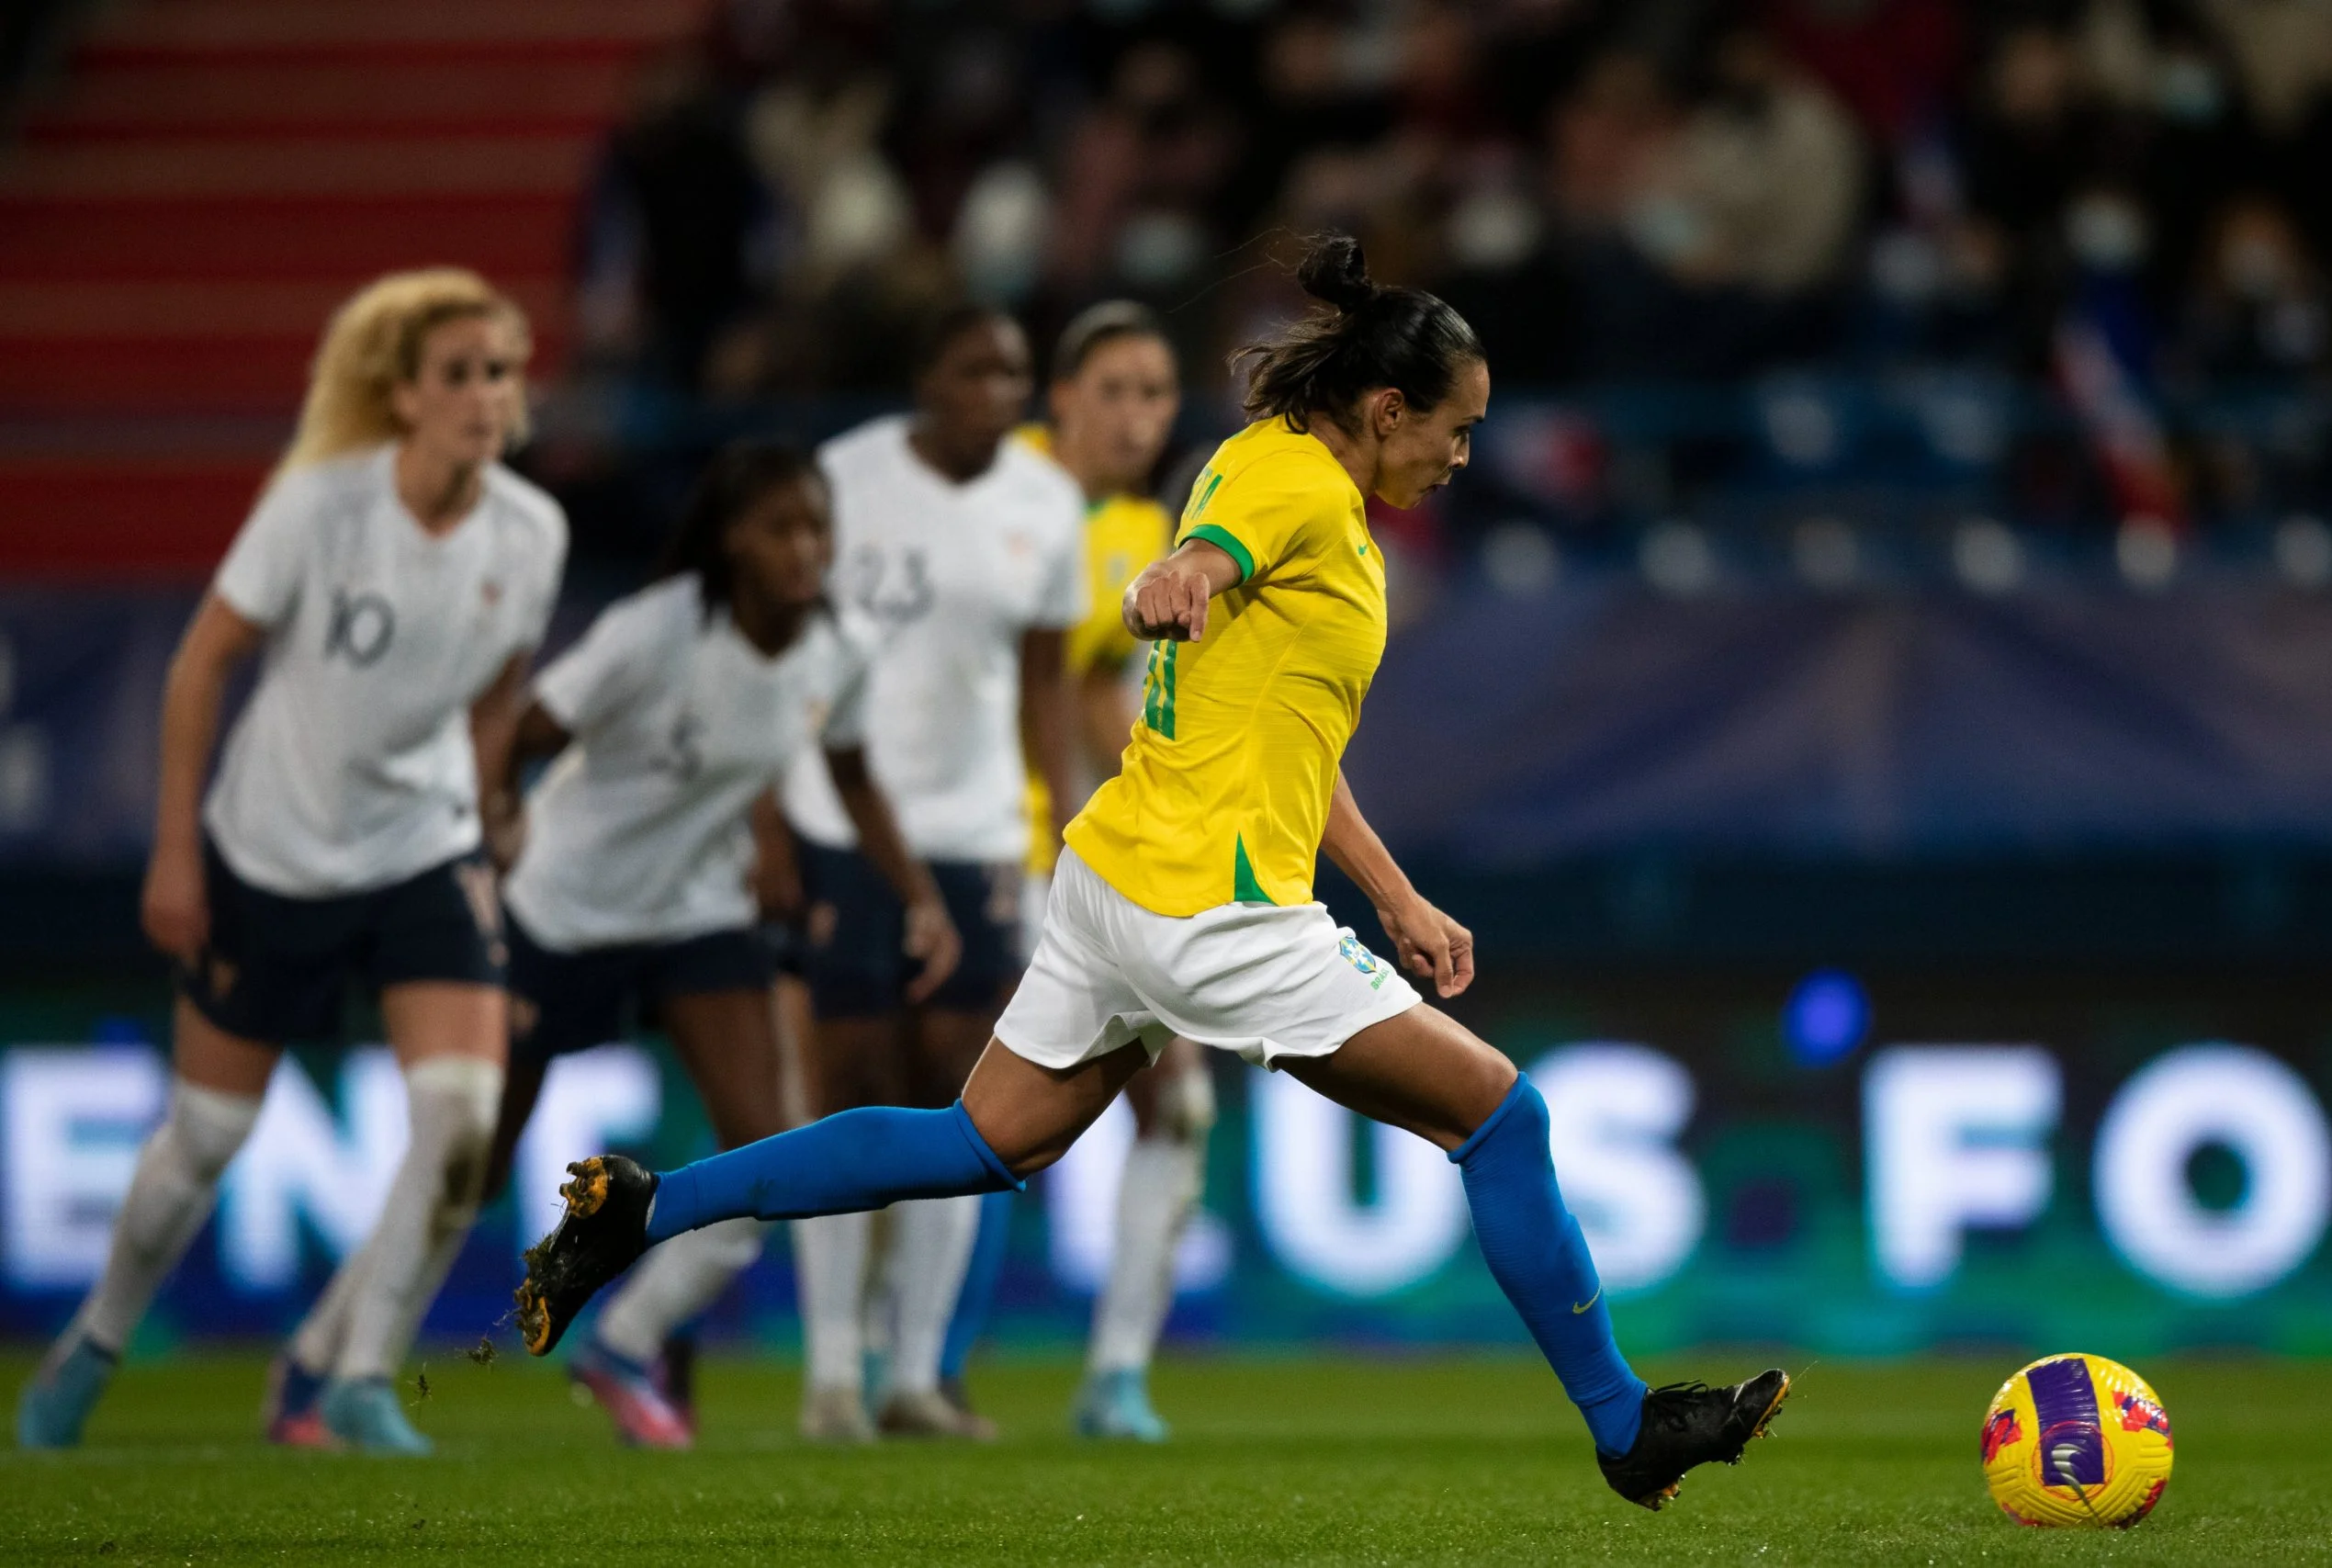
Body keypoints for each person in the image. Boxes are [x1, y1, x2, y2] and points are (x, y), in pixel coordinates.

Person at [514, 235, 1786, 1509]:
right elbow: (1209, 558)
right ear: (1388, 410)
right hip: (1210, 909)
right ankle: (1627, 1423)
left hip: (1117, 877)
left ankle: (648, 1204)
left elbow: (1291, 737)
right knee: (1502, 1117)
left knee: (978, 1139)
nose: (1463, 457)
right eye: (1455, 430)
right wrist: (1173, 576)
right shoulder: (1296, 486)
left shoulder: (1264, 461)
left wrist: (1393, 893)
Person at [17, 269, 568, 1454]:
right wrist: (177, 853)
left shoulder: (534, 533)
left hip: (423, 851)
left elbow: (495, 696)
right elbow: (200, 664)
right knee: (202, 1144)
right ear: (405, 397)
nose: (486, 397)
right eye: (458, 375)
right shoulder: (319, 506)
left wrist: (490, 806)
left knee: (463, 1120)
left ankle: (354, 1378)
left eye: (501, 373)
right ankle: (97, 1341)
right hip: (271, 854)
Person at [478, 440, 959, 1448]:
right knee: (472, 1166)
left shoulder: (837, 647)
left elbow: (856, 777)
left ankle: (623, 1341)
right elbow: (527, 731)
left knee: (766, 1157)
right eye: (783, 526)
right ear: (734, 538)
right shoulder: (652, 632)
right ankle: (338, 1367)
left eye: (818, 527)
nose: (806, 548)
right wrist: (494, 827)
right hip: (563, 910)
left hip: (696, 913)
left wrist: (920, 897)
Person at [775, 304, 1084, 1441]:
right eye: (974, 369)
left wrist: (1059, 827)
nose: (998, 389)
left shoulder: (1047, 504)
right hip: (840, 823)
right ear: (926, 378)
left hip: (978, 835)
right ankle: (829, 1381)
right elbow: (782, 648)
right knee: (846, 1098)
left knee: (967, 1112)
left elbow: (1044, 682)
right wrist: (768, 819)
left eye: (1014, 370)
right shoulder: (843, 479)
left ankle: (910, 1375)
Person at [942, 300, 1206, 1441]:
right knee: (962, 1125)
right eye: (1115, 390)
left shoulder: (1144, 527)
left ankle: (1114, 1377)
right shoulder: (991, 493)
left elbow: (1097, 685)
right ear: (1059, 401)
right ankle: (903, 1366)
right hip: (963, 845)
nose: (1139, 416)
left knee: (1178, 1106)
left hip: (1081, 861)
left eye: (1156, 395)